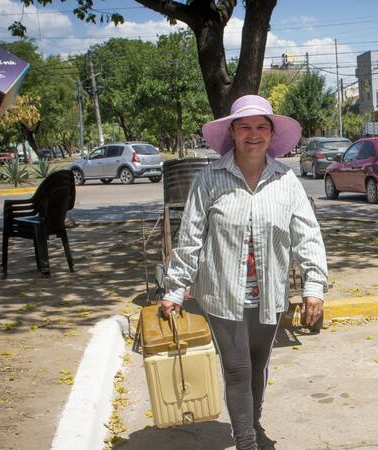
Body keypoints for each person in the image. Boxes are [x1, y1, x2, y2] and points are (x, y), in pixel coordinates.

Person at [160, 95, 328, 450]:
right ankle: (247, 441)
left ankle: (252, 422)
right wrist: (175, 290)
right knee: (236, 368)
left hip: (269, 293)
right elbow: (190, 239)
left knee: (258, 364)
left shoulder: (286, 180)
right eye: (245, 127)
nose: (254, 134)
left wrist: (314, 286)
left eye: (261, 127)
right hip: (223, 294)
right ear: (232, 132)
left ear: (271, 133)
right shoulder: (209, 178)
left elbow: (307, 235)